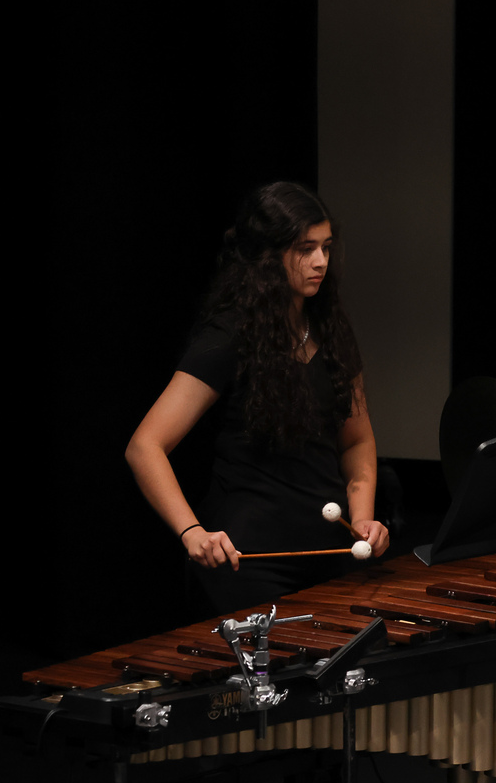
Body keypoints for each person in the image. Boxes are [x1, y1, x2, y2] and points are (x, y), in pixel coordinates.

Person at [125, 181, 389, 615]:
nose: (321, 261)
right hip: (251, 563)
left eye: (325, 247)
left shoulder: (333, 331)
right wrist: (192, 531)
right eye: (306, 249)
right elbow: (145, 445)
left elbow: (357, 440)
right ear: (268, 256)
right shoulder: (231, 335)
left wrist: (362, 519)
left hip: (331, 554)